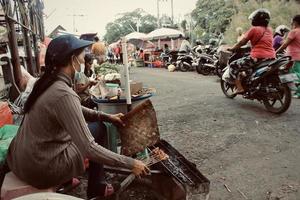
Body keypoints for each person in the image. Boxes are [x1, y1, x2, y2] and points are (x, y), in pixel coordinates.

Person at [6, 35, 149, 199]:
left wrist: (105, 116)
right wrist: (131, 163)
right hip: (41, 169)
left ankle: (72, 181)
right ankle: (96, 187)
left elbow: (74, 107)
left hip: (22, 161)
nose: (83, 61)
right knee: (99, 130)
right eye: (82, 56)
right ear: (72, 59)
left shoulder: (46, 83)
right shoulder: (63, 93)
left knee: (97, 125)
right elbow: (89, 148)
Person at [228, 9, 276, 94]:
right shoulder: (269, 30)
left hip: (258, 57)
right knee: (248, 68)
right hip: (271, 57)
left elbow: (242, 42)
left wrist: (232, 48)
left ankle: (239, 88)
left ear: (255, 19)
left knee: (233, 66)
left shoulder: (254, 29)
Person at [276, 15, 300, 98]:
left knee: (294, 75)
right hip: (298, 57)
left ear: (295, 22)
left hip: (293, 57)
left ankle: (297, 93)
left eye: (292, 21)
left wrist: (276, 52)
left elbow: (285, 44)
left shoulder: (294, 31)